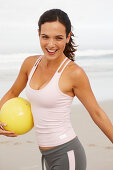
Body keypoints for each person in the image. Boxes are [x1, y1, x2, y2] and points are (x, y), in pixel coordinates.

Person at [0, 9, 113, 170]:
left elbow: (97, 113)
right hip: (47, 155)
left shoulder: (74, 73)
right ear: (38, 34)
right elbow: (12, 93)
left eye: (58, 38)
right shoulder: (29, 64)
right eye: (45, 37)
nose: (51, 44)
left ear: (67, 37)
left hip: (67, 154)